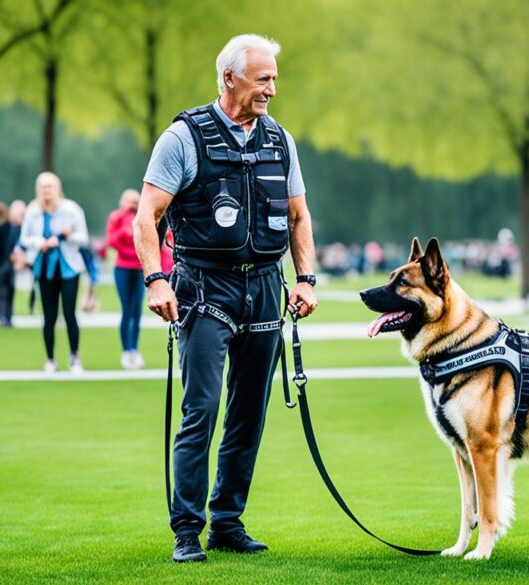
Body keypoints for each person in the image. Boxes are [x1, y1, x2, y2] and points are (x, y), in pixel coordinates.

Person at [133, 34, 318, 563]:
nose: (272, 89)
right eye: (263, 79)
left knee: (248, 414)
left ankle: (228, 522)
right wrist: (155, 279)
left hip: (264, 287)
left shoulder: (280, 141)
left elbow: (300, 216)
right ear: (230, 78)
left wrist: (305, 279)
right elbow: (145, 217)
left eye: (275, 78)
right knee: (203, 408)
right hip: (203, 287)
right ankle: (187, 530)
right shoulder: (183, 138)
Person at [20, 172, 89, 374]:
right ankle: (50, 359)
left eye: (49, 186)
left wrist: (67, 237)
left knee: (69, 314)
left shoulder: (71, 209)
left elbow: (83, 238)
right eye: (42, 186)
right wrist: (39, 243)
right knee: (48, 317)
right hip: (45, 269)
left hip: (69, 268)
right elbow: (25, 239)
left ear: (57, 188)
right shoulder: (33, 211)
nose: (46, 190)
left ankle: (74, 357)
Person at [106, 189, 149, 369]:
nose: (133, 204)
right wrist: (125, 231)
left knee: (136, 310)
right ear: (122, 202)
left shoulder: (142, 217)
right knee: (126, 310)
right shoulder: (116, 217)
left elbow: (147, 239)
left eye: (136, 201)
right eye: (129, 201)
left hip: (140, 267)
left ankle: (134, 349)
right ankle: (126, 350)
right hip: (122, 267)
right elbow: (112, 241)